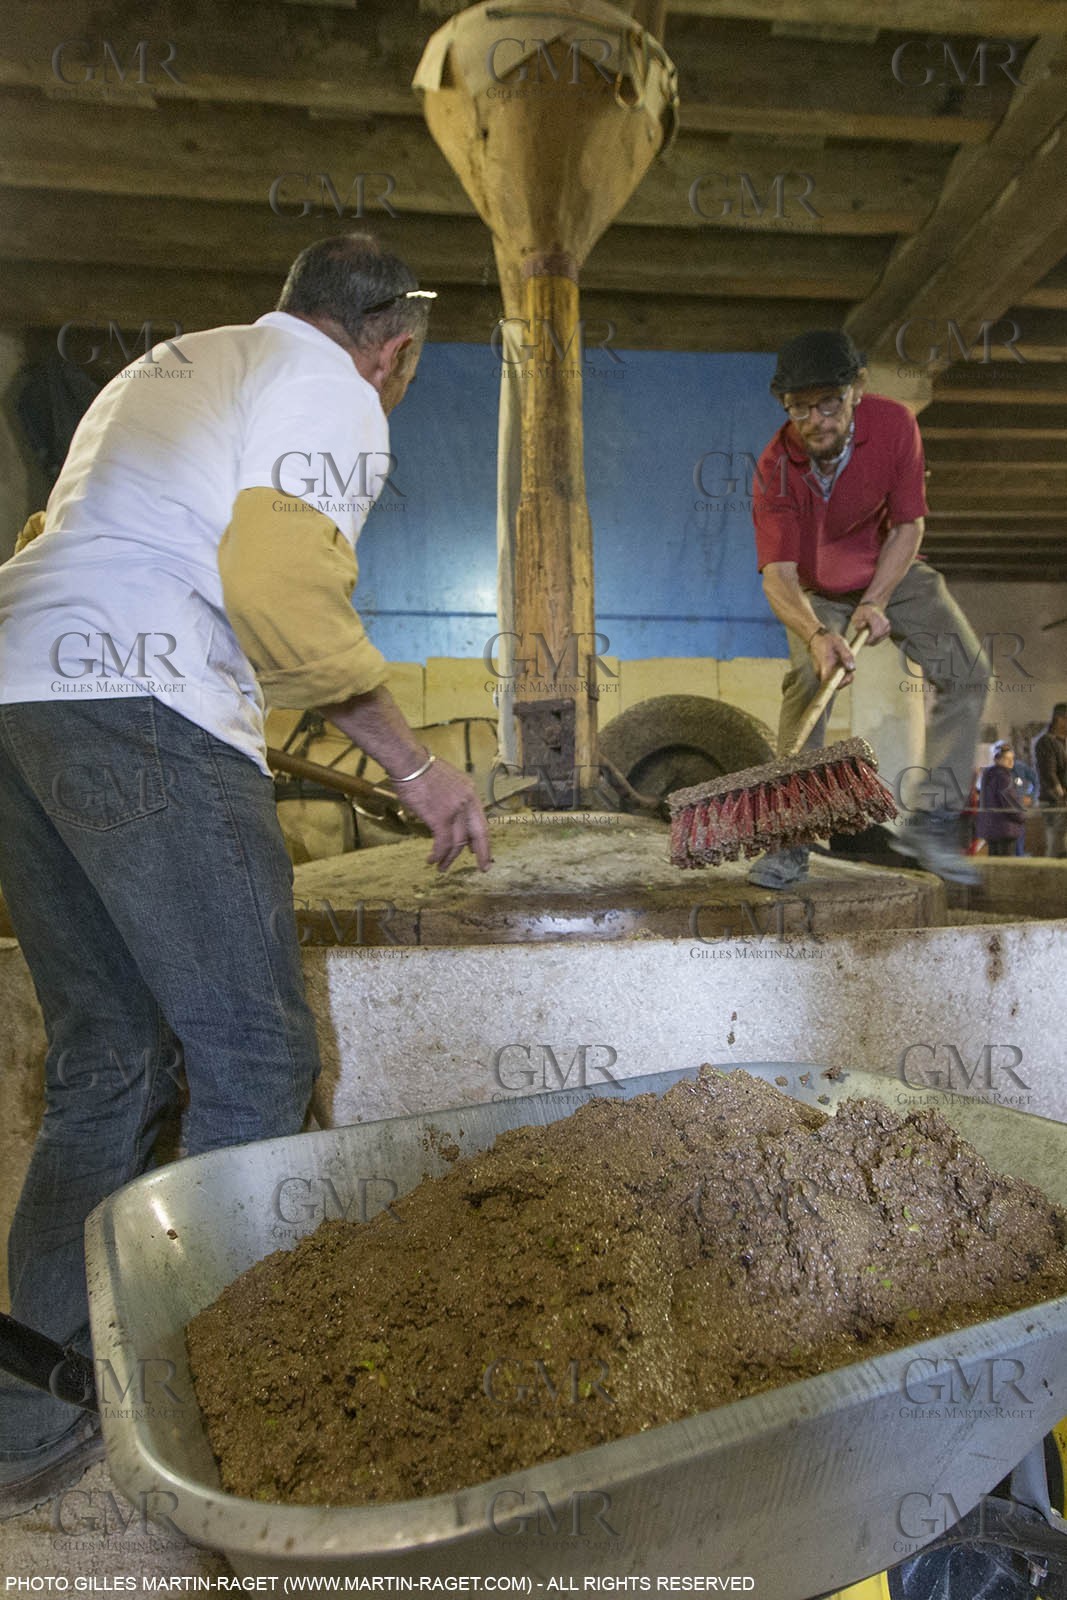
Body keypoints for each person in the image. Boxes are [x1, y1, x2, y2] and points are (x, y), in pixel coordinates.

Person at [0, 233, 491, 1515]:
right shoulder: (334, 389)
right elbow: (272, 582)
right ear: (390, 349)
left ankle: (36, 1404)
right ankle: (221, 1406)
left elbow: (73, 536)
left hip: (19, 691)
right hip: (141, 694)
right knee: (255, 1059)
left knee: (108, 1056)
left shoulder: (175, 365)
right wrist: (420, 769)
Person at [747, 329, 988, 889]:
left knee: (969, 672)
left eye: (828, 403)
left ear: (855, 390)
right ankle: (792, 838)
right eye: (799, 408)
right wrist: (815, 635)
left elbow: (909, 525)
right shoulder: (775, 467)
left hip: (892, 568)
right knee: (811, 680)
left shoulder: (896, 426)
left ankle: (933, 823)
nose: (815, 421)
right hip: (821, 591)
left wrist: (878, 599)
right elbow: (779, 577)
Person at [975, 742, 1028, 857]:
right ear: (997, 759)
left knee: (994, 863)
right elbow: (1010, 804)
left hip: (990, 828)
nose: (1011, 762)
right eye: (1006, 758)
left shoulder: (987, 775)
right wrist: (1022, 816)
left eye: (1012, 758)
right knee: (1006, 864)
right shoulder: (1003, 777)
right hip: (1005, 829)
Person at [1032, 704, 1067, 858]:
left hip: (1061, 803)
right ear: (1060, 719)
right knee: (1056, 847)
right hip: (1054, 802)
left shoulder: (1062, 742)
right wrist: (1062, 795)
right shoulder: (1046, 742)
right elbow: (1049, 774)